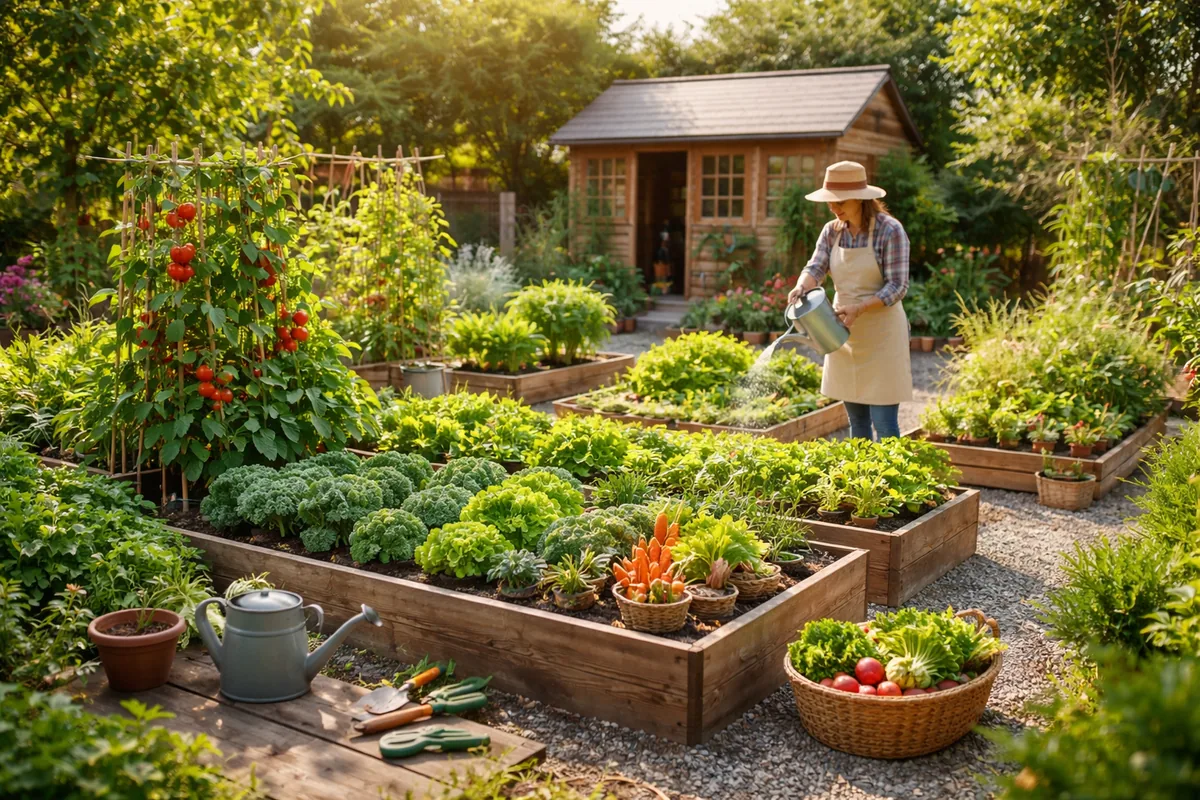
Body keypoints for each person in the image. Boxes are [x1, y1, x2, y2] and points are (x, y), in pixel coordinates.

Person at [787, 160, 912, 441]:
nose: (833, 207)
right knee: (856, 421)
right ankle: (861, 471)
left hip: (882, 335)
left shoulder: (890, 231)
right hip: (842, 332)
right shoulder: (832, 231)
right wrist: (801, 286)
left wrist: (860, 307)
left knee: (884, 424)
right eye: (830, 201)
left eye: (840, 201)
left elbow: (897, 286)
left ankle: (890, 471)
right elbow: (816, 267)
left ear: (861, 199)